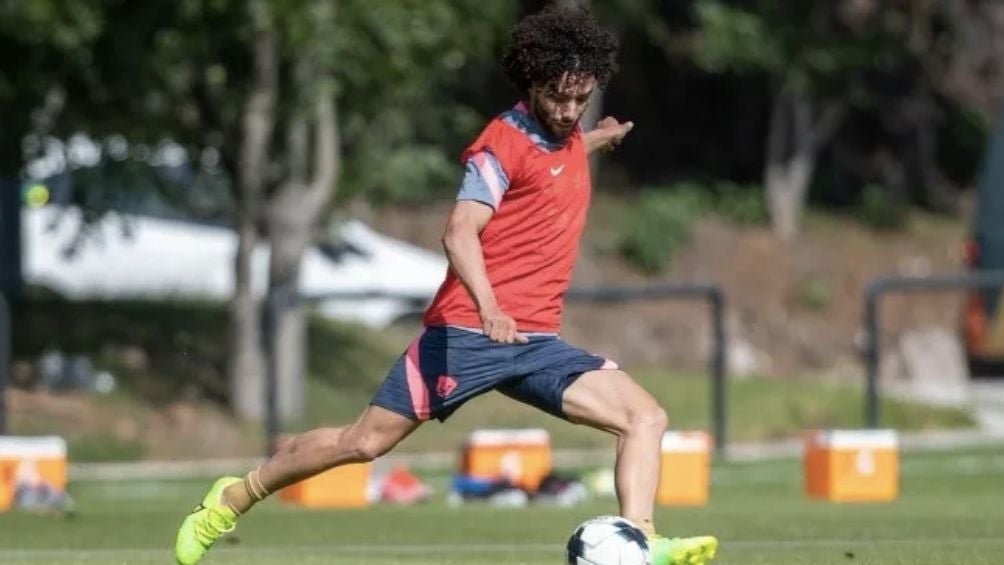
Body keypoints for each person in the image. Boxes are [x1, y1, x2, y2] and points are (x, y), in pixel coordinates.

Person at [174, 5, 718, 565]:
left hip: (534, 343)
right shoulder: (498, 145)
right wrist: (488, 307)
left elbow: (556, 156)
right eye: (559, 97)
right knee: (362, 443)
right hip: (466, 332)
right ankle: (231, 498)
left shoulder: (568, 136)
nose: (569, 110)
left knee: (645, 417)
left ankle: (642, 539)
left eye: (582, 100)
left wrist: (598, 136)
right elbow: (459, 232)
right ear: (532, 81)